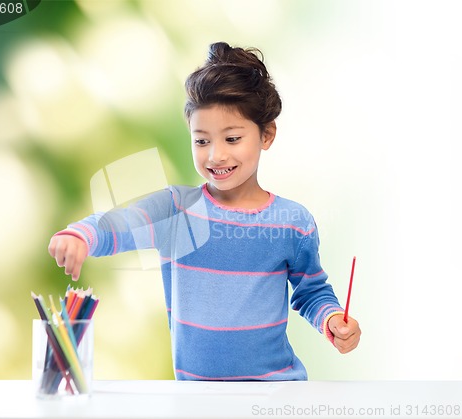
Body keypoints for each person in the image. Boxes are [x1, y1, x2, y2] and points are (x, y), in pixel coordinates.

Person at [48, 41, 361, 381]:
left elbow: (311, 292)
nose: (215, 156)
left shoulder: (293, 222)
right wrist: (79, 236)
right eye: (201, 140)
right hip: (195, 397)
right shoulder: (175, 209)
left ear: (266, 134)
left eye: (232, 139)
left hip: (276, 391)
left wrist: (332, 320)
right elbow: (115, 225)